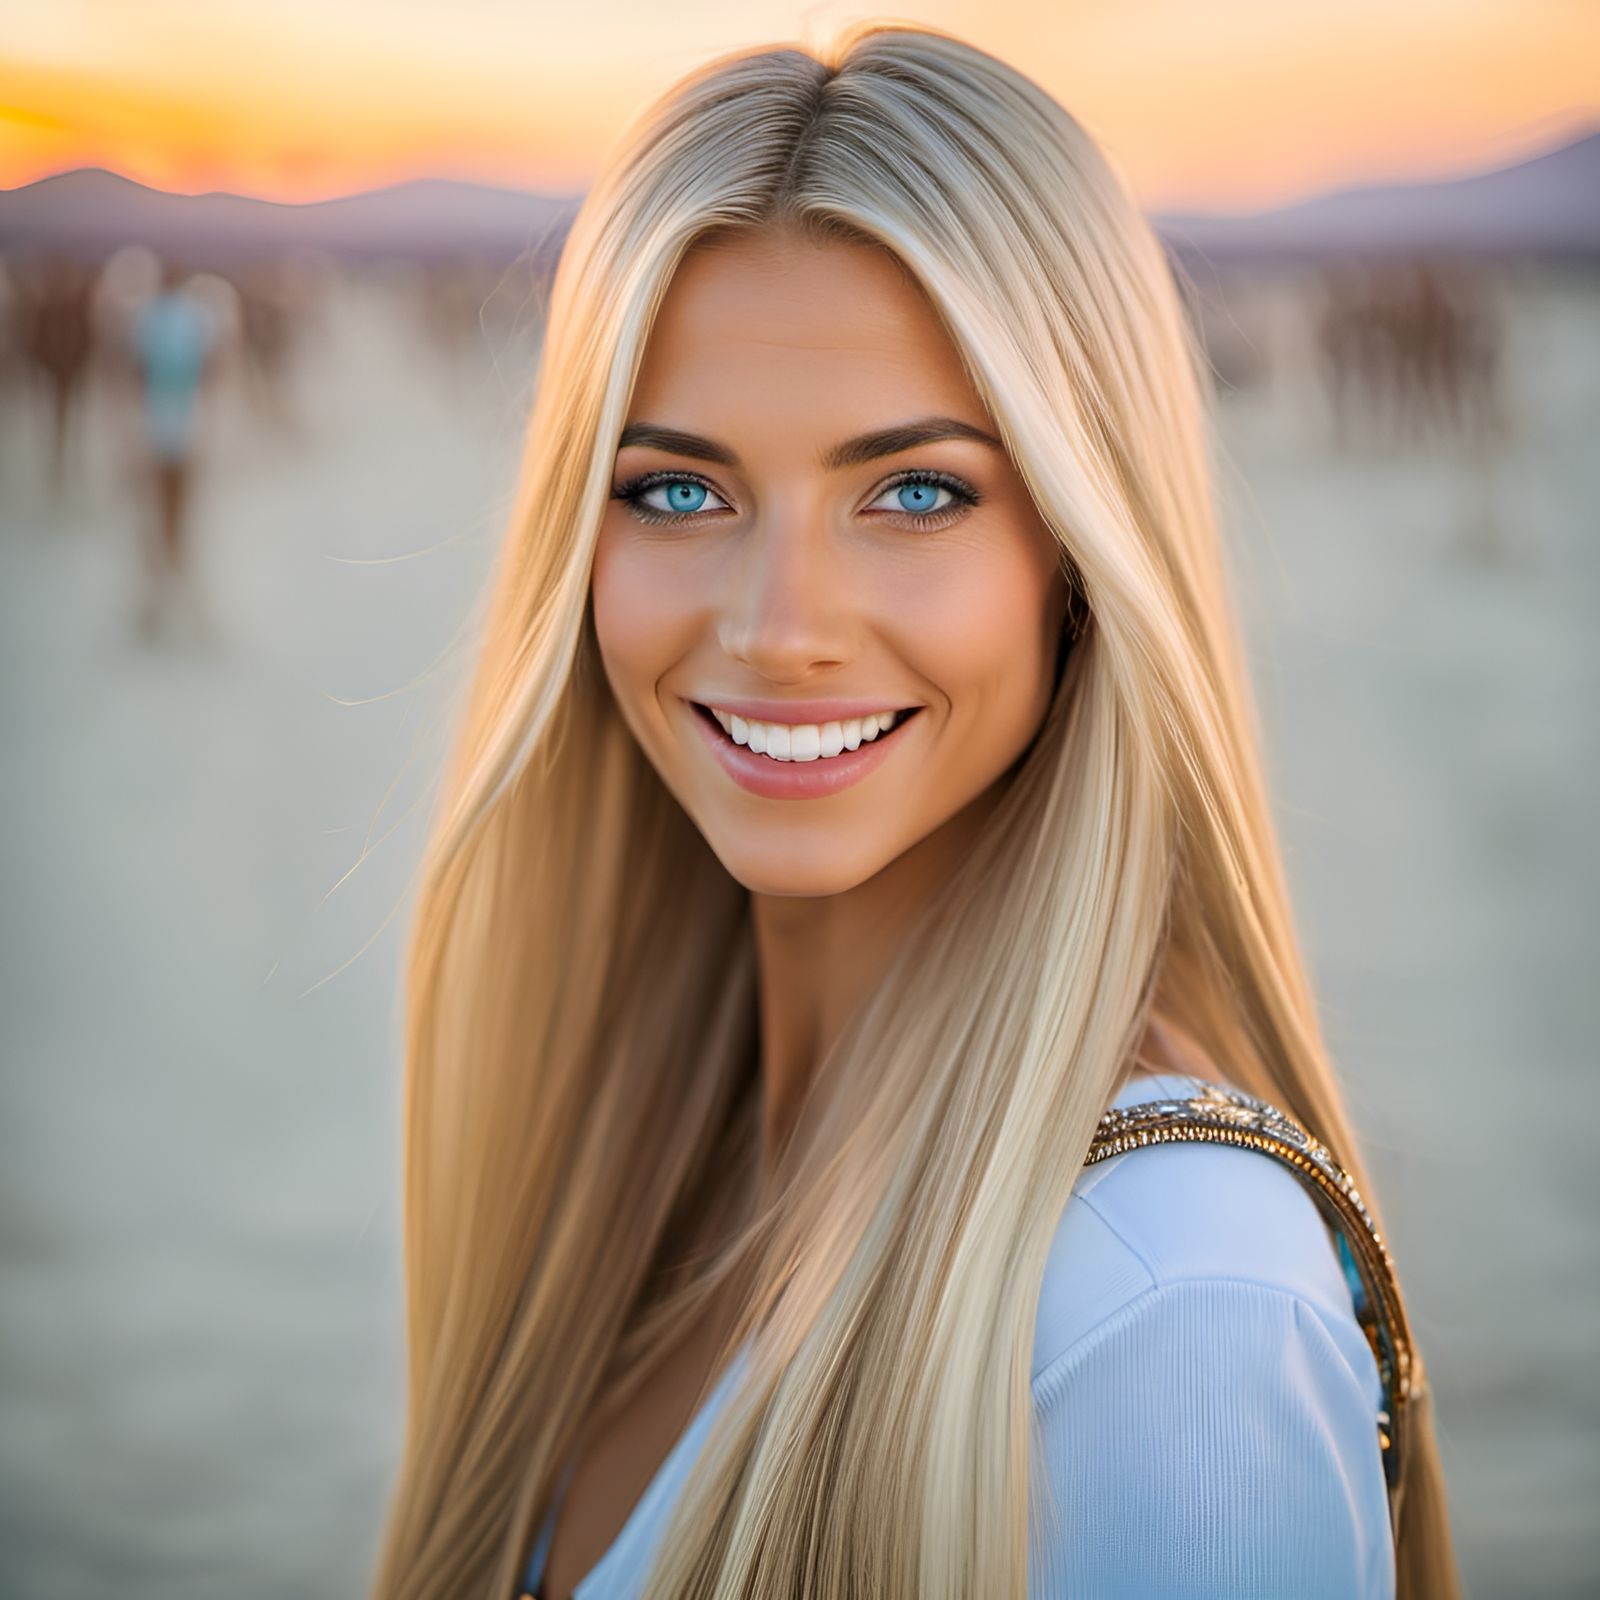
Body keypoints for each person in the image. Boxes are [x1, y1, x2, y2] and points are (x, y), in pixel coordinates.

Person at [368, 23, 1460, 1600]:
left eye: (916, 492)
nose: (779, 623)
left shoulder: (1172, 1308)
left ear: (1081, 556)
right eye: (678, 488)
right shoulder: (652, 1160)